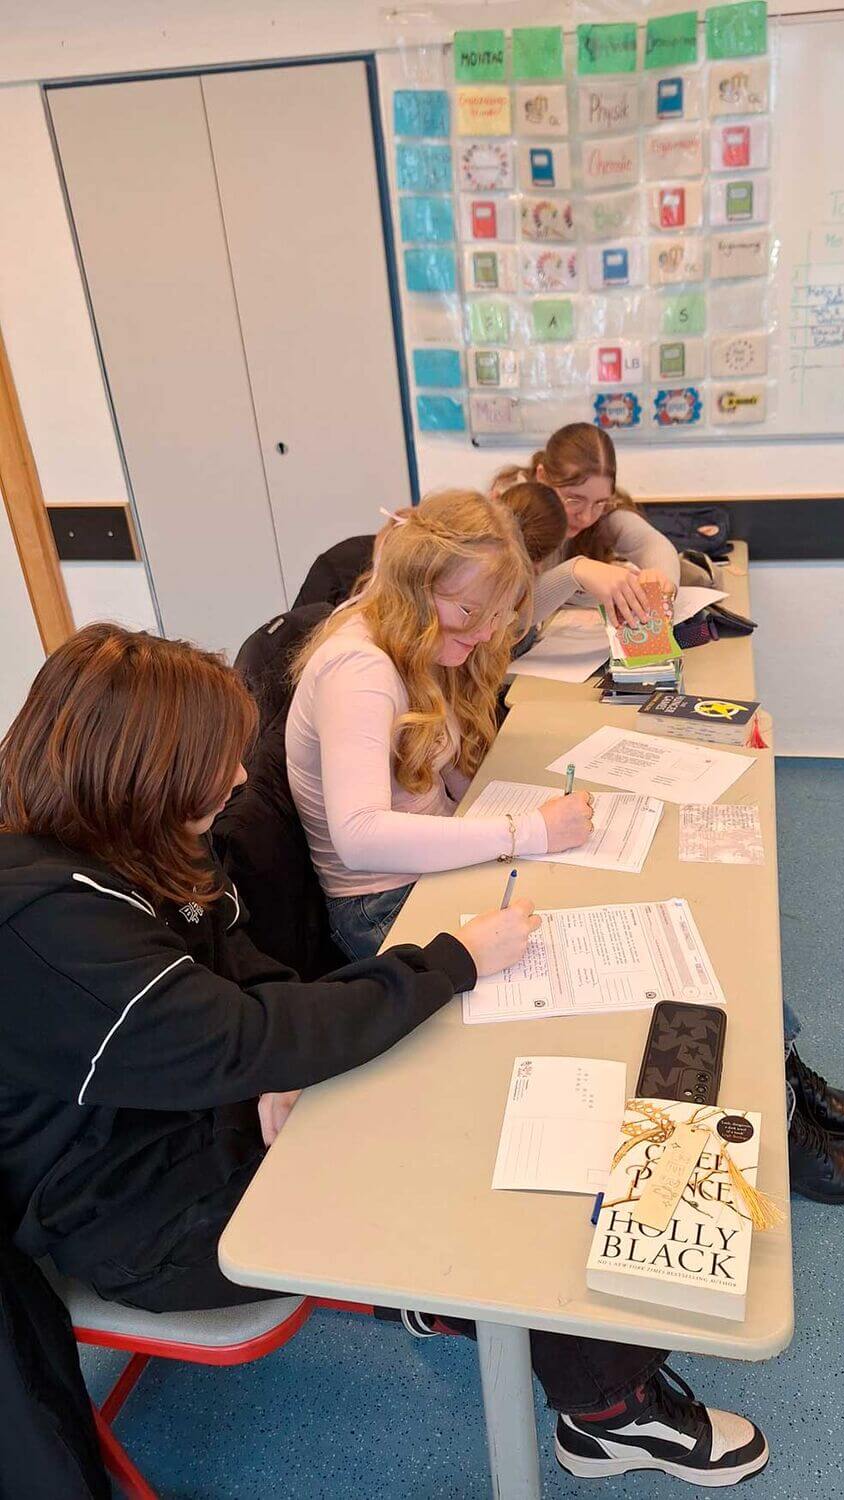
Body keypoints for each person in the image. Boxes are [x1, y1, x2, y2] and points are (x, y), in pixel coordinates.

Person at [0, 624, 771, 1488]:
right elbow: (237, 1035)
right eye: (217, 763)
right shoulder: (42, 921)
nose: (241, 779)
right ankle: (607, 1412)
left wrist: (278, 1068)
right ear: (144, 770)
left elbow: (241, 969)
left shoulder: (137, 845)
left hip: (200, 1123)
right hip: (142, 1219)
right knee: (475, 1175)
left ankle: (481, 1322)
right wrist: (447, 964)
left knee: (459, 1089)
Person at [287, 489, 594, 961]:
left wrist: (521, 815)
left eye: (496, 614)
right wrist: (530, 830)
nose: (487, 633)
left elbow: (438, 765)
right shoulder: (359, 670)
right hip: (380, 905)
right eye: (471, 612)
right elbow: (360, 837)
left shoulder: (416, 638)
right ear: (415, 587)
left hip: (423, 871)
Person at [494, 423, 681, 627]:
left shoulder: (604, 512)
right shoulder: (511, 515)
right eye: (574, 500)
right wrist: (575, 572)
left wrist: (662, 579)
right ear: (542, 477)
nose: (586, 517)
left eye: (599, 502)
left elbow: (650, 543)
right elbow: (508, 616)